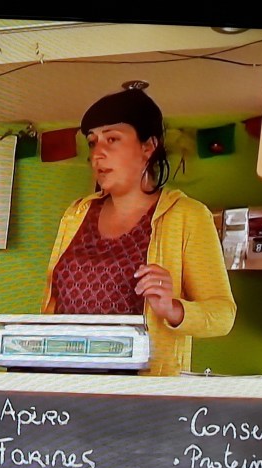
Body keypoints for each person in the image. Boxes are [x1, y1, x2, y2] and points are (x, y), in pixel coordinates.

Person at [40, 88, 236, 376]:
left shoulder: (187, 216)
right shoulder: (76, 214)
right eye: (93, 142)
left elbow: (223, 315)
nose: (97, 153)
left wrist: (173, 309)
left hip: (140, 391)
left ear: (148, 146)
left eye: (112, 139)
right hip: (64, 382)